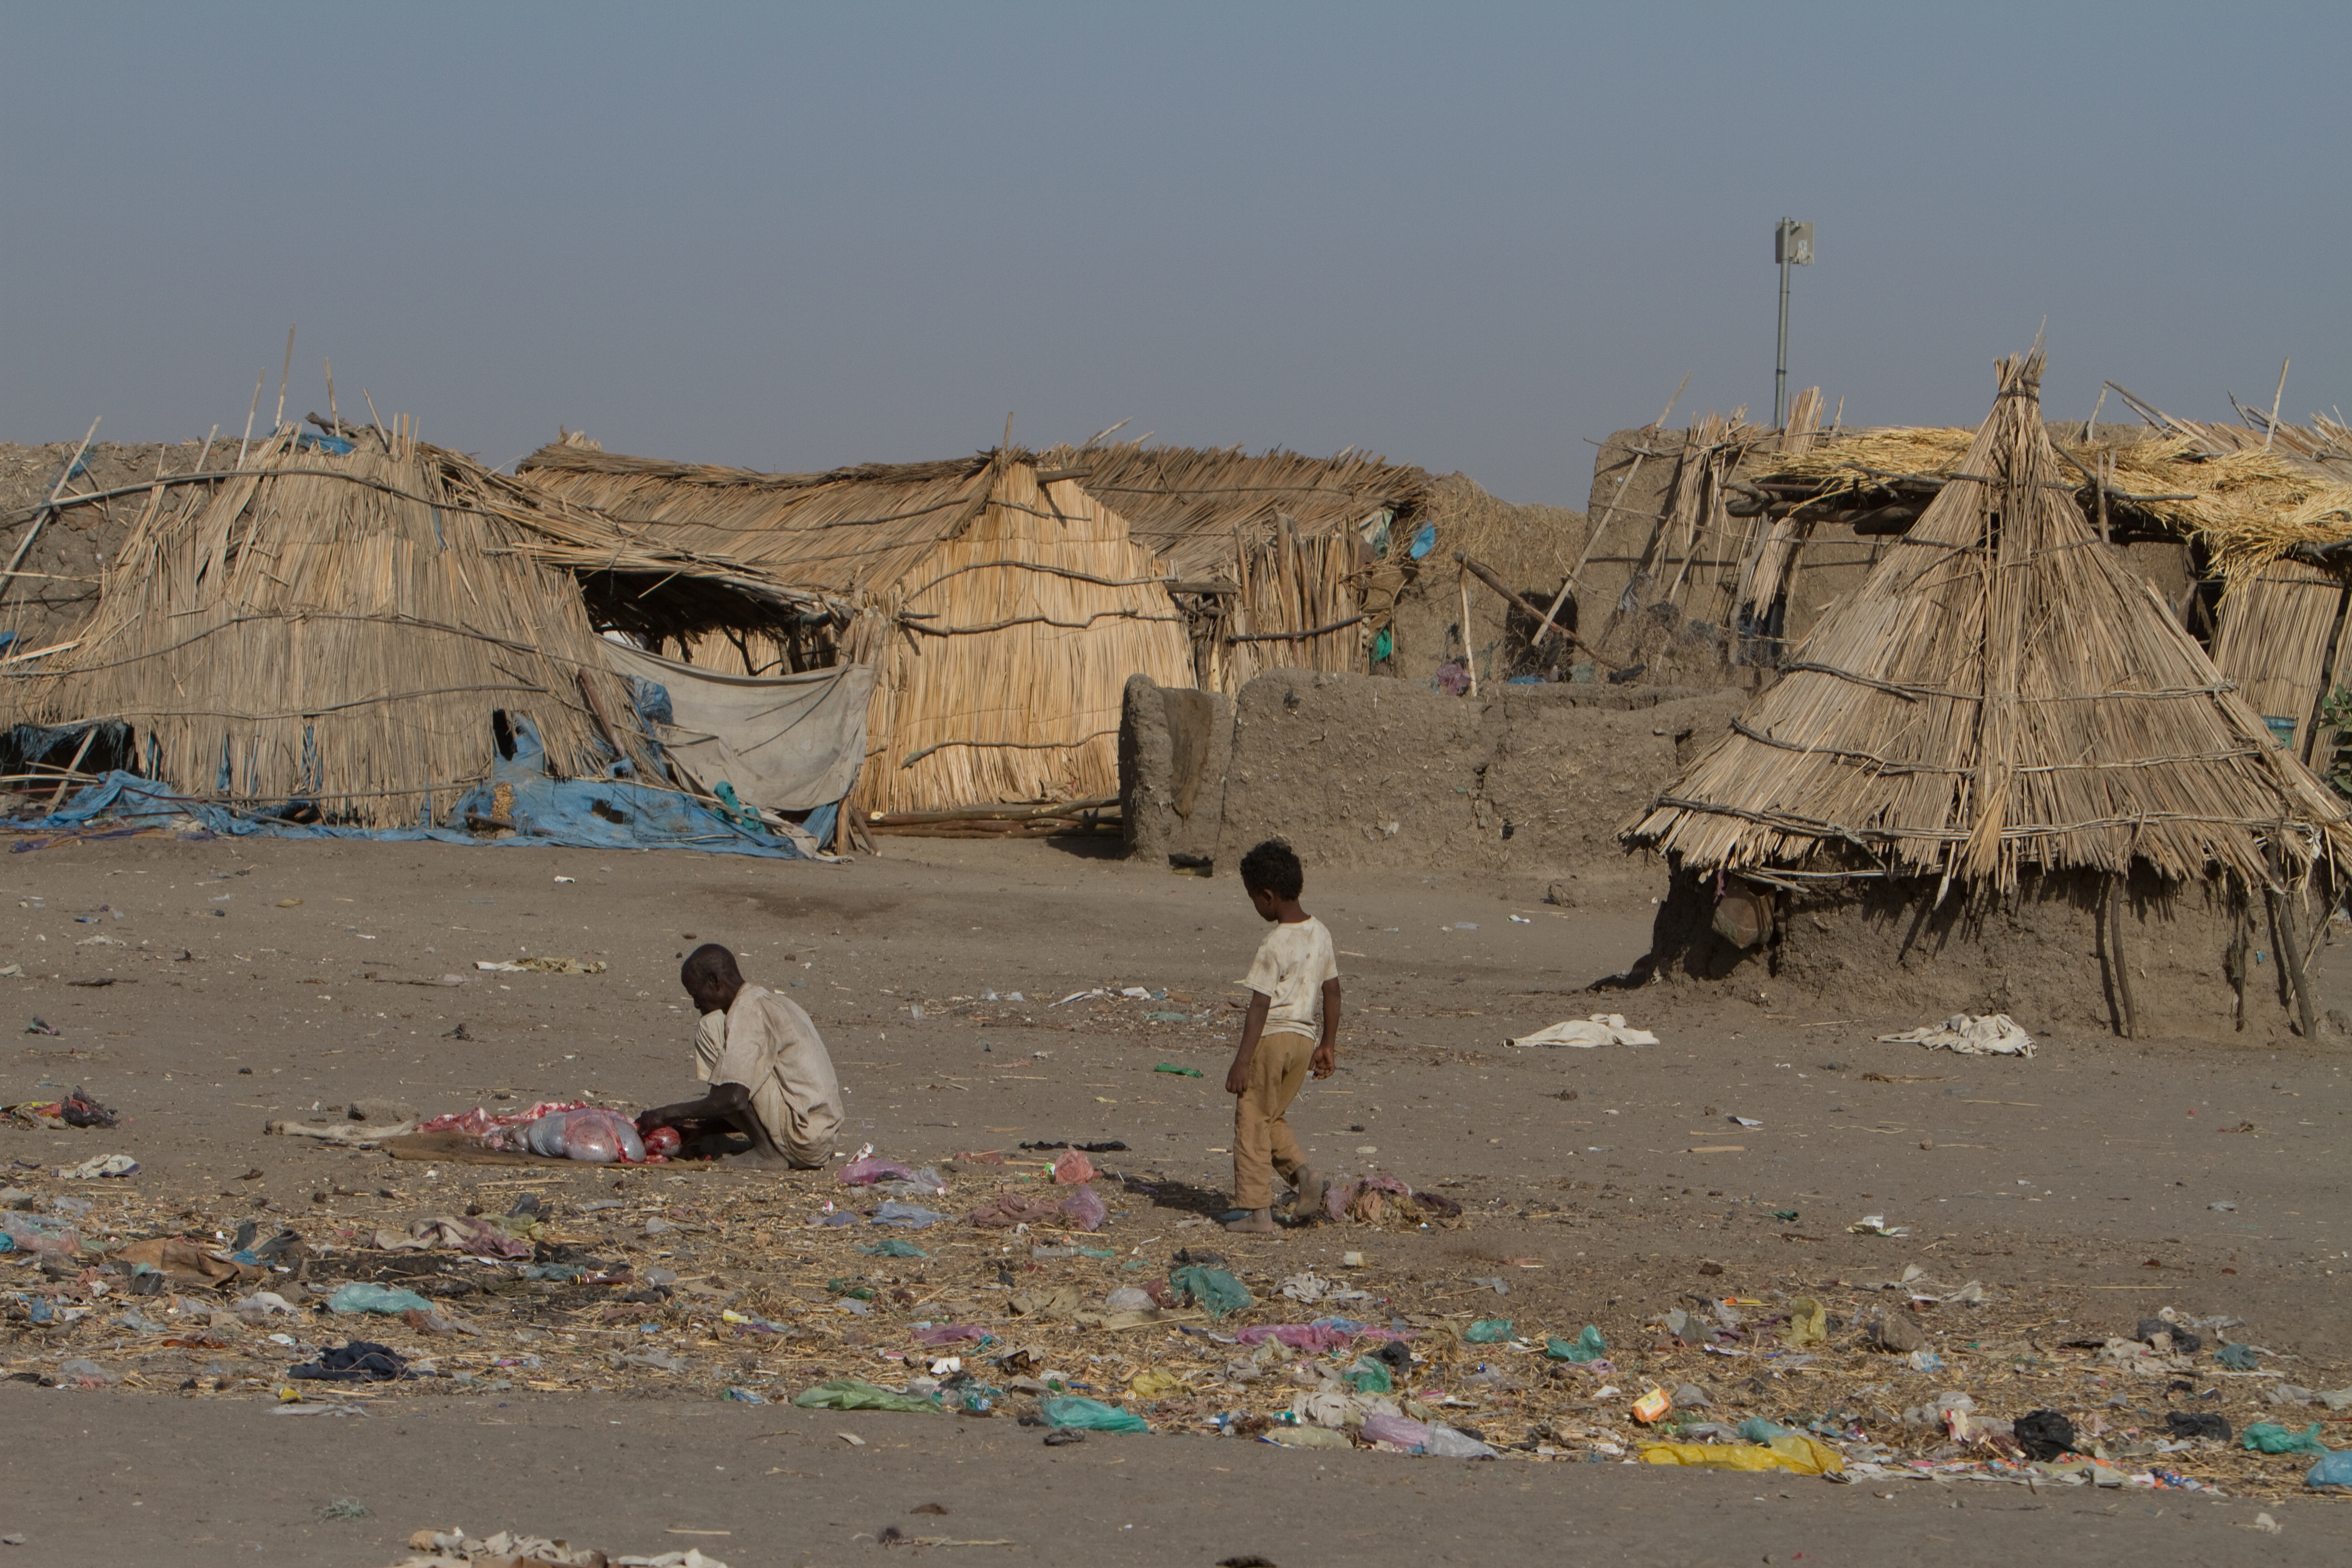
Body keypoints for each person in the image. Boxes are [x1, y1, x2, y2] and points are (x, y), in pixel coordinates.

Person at [636, 943, 842, 1169]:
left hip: (801, 1139)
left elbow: (735, 1098)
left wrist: (664, 1115)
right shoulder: (774, 1001)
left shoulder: (746, 1011)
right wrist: (700, 1129)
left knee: (710, 1029)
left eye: (696, 994)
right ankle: (765, 1147)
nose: (696, 1003)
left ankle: (766, 1153)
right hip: (820, 1138)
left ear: (715, 982)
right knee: (727, 1048)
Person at [1222, 838, 1339, 1234]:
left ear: (1267, 896)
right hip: (1304, 1042)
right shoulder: (1320, 933)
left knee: (1252, 1119)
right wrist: (1328, 1045)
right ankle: (1304, 1176)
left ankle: (1258, 1214)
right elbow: (1333, 992)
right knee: (1271, 1116)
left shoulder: (1273, 944)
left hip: (1272, 1040)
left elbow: (1259, 1006)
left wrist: (1242, 1060)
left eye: (1254, 898)